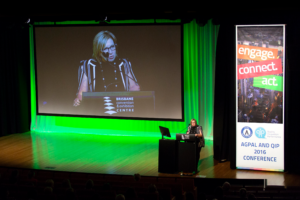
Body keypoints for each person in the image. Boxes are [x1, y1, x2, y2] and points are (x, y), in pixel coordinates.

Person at [74, 30, 140, 107]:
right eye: (105, 49)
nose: (110, 51)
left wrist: (135, 91)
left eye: (112, 47)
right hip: (96, 109)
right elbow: (82, 93)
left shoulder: (124, 64)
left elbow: (134, 87)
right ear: (98, 50)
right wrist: (77, 101)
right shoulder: (88, 65)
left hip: (121, 107)